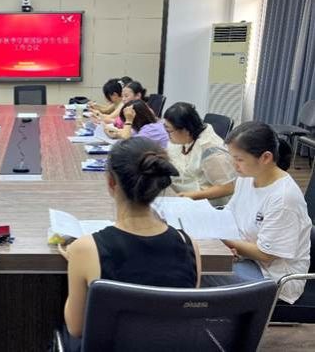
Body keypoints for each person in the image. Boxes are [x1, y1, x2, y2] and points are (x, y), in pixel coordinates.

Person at [59, 137, 200, 350]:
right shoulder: (188, 244)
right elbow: (184, 315)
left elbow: (76, 328)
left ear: (111, 182)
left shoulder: (85, 249)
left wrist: (77, 261)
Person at [203, 122, 311, 304]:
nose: (234, 165)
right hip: (245, 256)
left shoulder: (283, 198)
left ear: (265, 157)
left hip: (273, 277)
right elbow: (230, 215)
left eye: (239, 159)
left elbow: (266, 254)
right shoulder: (247, 177)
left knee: (197, 268)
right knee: (191, 256)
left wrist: (222, 240)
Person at [163, 102, 236, 205]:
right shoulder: (186, 138)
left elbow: (227, 188)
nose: (167, 135)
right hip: (185, 192)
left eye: (169, 131)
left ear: (185, 130)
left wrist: (192, 196)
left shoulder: (210, 150)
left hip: (205, 202)